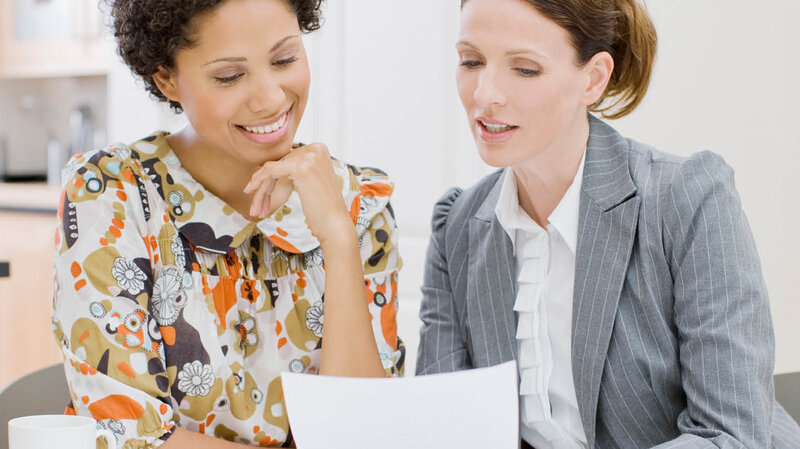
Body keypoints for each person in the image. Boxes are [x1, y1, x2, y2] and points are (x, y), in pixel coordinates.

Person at [415, 0, 800, 447]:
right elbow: (443, 427)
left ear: (594, 78)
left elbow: (730, 436)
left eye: (524, 69)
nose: (485, 94)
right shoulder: (457, 228)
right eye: (471, 61)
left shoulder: (686, 201)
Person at [51, 0, 404, 447]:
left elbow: (366, 433)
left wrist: (338, 236)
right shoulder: (111, 195)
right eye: (230, 76)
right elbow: (131, 436)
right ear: (167, 79)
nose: (270, 98)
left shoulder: (358, 203)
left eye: (285, 59)